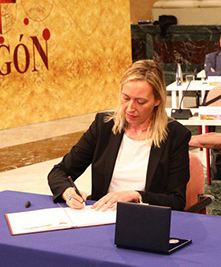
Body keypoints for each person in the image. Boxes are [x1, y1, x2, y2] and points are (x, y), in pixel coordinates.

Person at [48, 60, 191, 211]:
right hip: (102, 216)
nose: (130, 108)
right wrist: (68, 192)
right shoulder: (103, 126)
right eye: (126, 98)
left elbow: (176, 200)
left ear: (157, 100)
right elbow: (59, 172)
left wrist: (136, 195)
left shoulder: (176, 135)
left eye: (140, 102)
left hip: (145, 217)